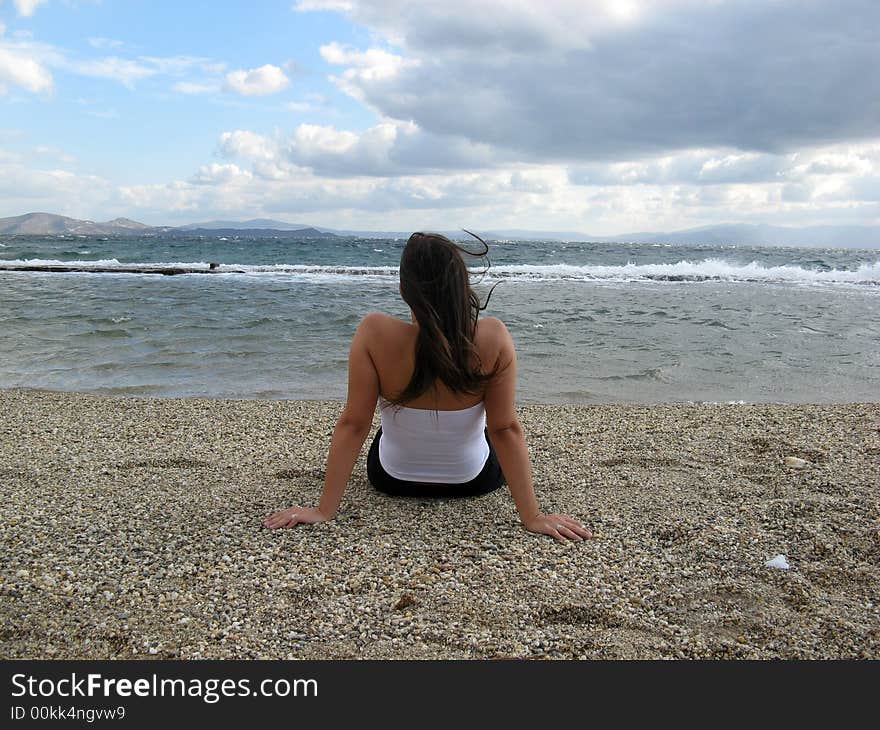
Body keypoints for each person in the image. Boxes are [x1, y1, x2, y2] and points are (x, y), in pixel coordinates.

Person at [264, 231, 592, 542]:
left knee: (385, 428)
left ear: (404, 288)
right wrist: (532, 516)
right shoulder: (493, 337)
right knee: (485, 433)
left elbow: (354, 424)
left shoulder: (373, 332)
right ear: (460, 285)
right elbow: (505, 428)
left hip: (392, 479)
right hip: (472, 482)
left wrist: (324, 510)